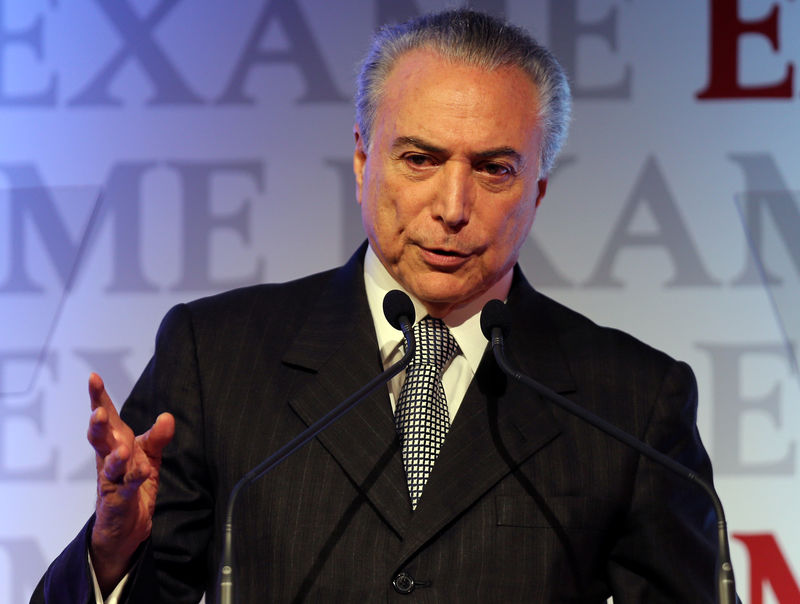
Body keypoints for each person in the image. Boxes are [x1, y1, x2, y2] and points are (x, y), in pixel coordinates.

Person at [32, 9, 723, 603]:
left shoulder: (630, 404)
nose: (453, 209)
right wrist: (112, 553)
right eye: (420, 158)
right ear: (363, 160)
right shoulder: (215, 358)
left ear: (538, 190)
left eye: (494, 170)